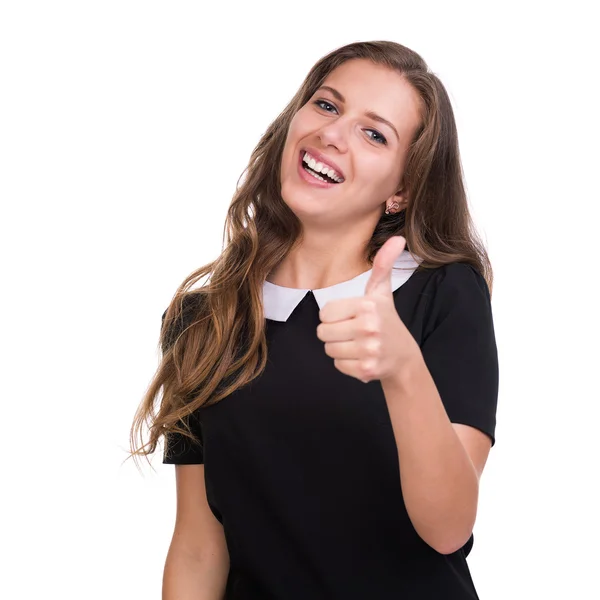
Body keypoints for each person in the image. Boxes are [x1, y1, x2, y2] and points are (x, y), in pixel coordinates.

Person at [129, 40, 500, 600]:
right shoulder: (202, 321)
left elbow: (448, 529)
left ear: (400, 190)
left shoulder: (444, 292)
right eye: (327, 106)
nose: (333, 134)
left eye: (374, 134)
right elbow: (200, 546)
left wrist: (403, 370)